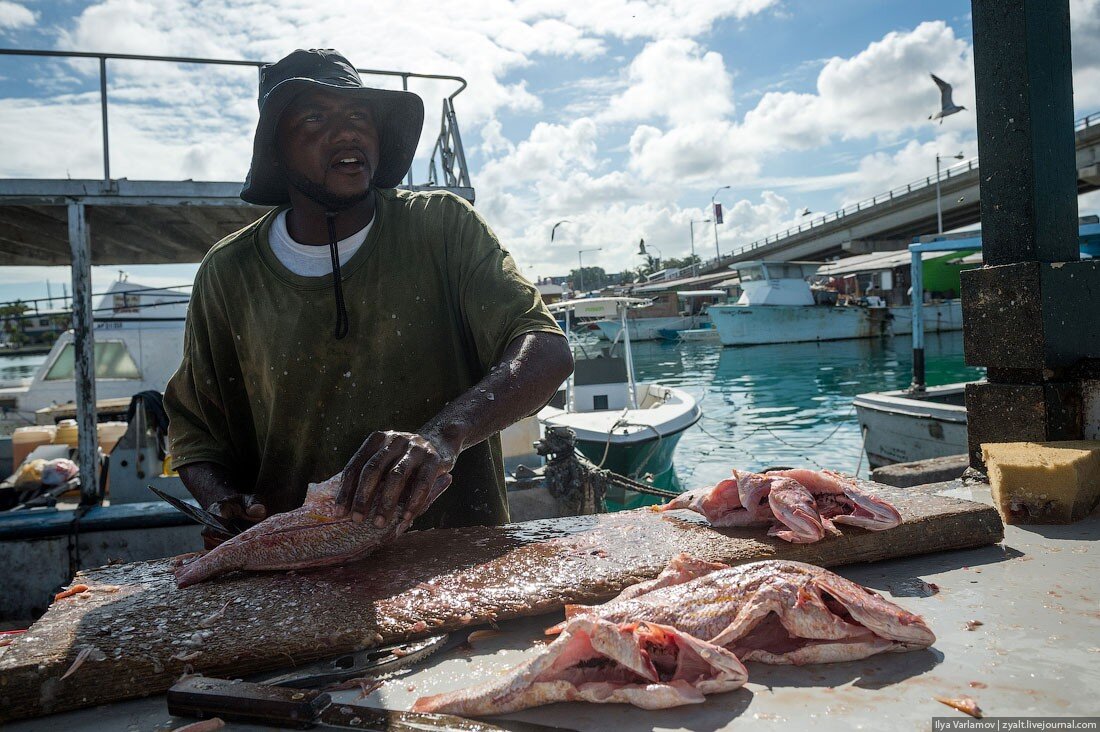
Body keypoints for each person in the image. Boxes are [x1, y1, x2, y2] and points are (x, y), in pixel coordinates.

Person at [164, 49, 572, 544]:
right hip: (296, 571)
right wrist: (222, 502)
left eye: (358, 115)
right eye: (315, 117)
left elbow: (545, 349)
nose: (346, 132)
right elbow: (195, 429)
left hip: (451, 560)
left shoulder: (442, 226)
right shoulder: (228, 273)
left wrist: (443, 435)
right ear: (277, 147)